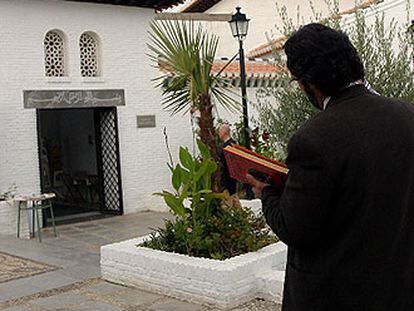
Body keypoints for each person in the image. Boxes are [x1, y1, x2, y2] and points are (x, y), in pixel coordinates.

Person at [247, 23, 414, 311]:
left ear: (309, 83)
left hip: (336, 295)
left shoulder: (313, 138)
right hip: (398, 289)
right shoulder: (407, 115)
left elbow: (295, 228)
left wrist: (267, 193)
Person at [218, 123, 237, 195]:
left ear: (224, 132)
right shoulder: (231, 144)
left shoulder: (229, 146)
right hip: (228, 178)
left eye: (220, 131)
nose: (219, 133)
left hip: (228, 179)